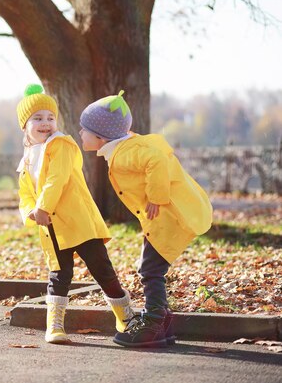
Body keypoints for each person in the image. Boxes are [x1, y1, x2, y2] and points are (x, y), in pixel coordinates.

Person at [79, 90, 213, 348]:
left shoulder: (128, 151)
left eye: (84, 129)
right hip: (165, 218)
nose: (81, 133)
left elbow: (156, 159)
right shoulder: (125, 145)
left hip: (171, 216)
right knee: (150, 268)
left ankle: (153, 324)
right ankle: (161, 323)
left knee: (150, 270)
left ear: (100, 136)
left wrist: (156, 196)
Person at [16, 84, 135, 344]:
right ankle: (55, 325)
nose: (45, 123)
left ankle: (126, 318)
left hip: (79, 221)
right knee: (59, 274)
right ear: (25, 125)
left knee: (102, 269)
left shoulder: (62, 145)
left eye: (50, 117)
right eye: (38, 118)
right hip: (53, 226)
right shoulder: (27, 159)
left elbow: (56, 179)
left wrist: (43, 206)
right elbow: (25, 193)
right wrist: (31, 212)